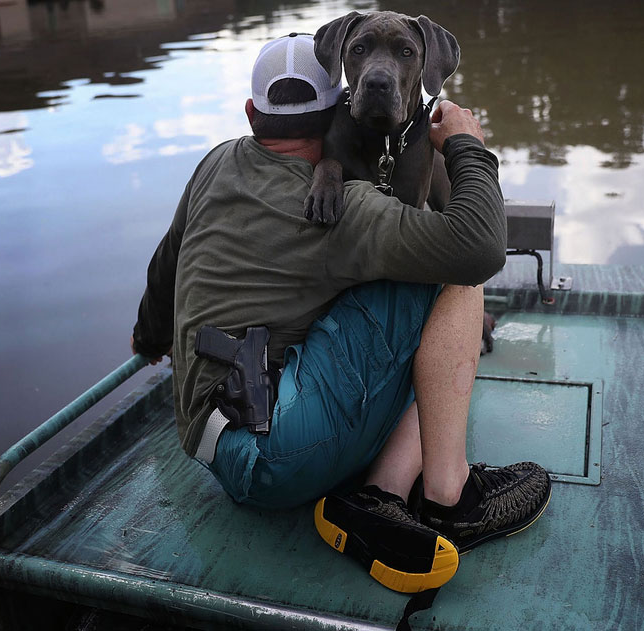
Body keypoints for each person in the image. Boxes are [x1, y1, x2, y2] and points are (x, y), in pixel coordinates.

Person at [131, 33, 550, 593]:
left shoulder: (215, 162)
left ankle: (379, 493)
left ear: (251, 112)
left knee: (412, 319)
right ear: (338, 111)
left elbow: (166, 265)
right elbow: (479, 247)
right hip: (282, 457)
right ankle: (449, 497)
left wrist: (149, 338)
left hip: (210, 448)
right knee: (451, 272)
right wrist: (466, 146)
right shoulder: (341, 207)